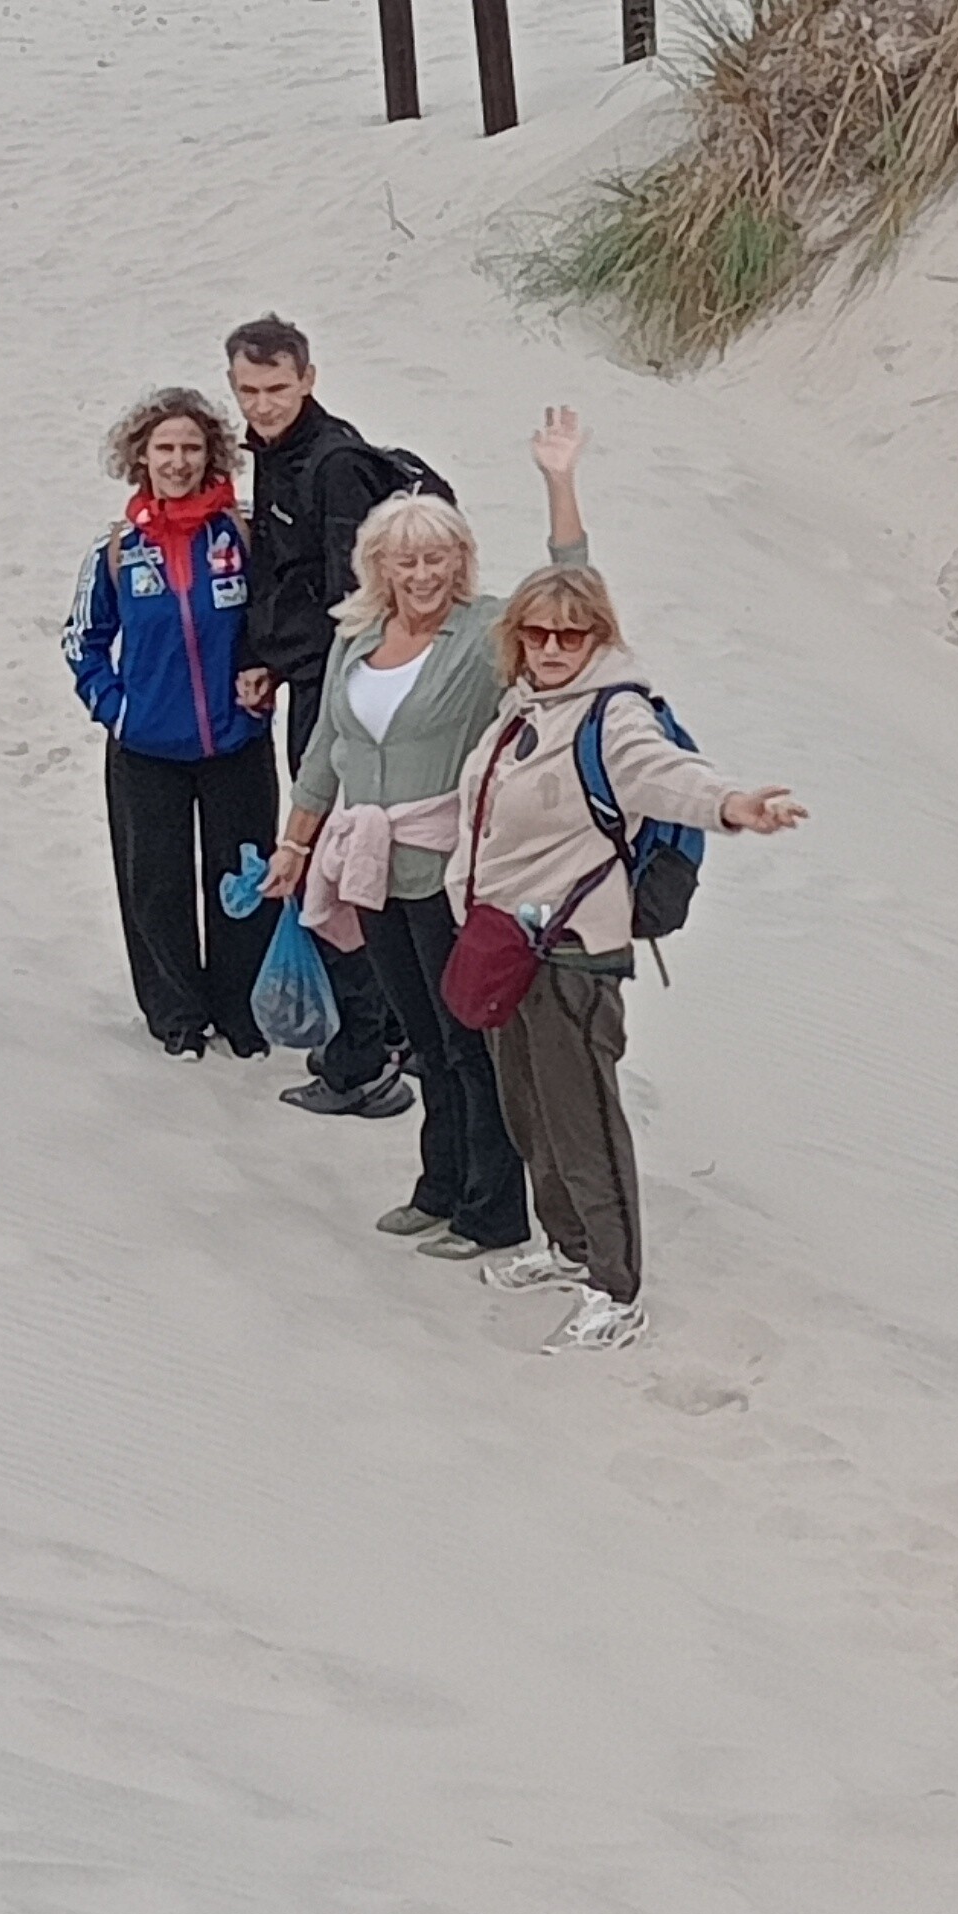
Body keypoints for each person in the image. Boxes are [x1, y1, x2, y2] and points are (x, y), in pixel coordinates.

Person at [445, 558, 803, 1353]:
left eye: (571, 635)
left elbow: (663, 775)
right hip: (507, 945)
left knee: (585, 1126)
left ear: (598, 638)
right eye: (537, 632)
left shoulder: (613, 715)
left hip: (571, 951)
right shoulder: (523, 707)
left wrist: (733, 805)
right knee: (529, 1111)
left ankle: (615, 1289)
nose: (552, 647)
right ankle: (567, 1246)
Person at [261, 411, 591, 1260]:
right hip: (371, 870)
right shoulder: (357, 637)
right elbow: (327, 749)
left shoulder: (485, 635)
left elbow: (573, 598)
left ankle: (493, 1212)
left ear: (460, 561)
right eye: (406, 560)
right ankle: (437, 1188)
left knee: (469, 1042)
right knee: (424, 1043)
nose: (422, 574)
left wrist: (559, 482)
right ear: (379, 565)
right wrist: (294, 847)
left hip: (451, 874)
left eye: (437, 558)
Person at [224, 315, 416, 1119]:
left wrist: (335, 707)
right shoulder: (275, 453)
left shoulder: (334, 465)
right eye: (248, 390)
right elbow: (288, 575)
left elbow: (355, 605)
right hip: (311, 681)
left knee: (330, 864)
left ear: (308, 379)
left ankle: (361, 1061)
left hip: (344, 698)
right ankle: (391, 1034)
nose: (262, 405)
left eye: (276, 388)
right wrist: (266, 654)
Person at [63, 388, 277, 1060]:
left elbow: (278, 622)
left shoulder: (243, 535)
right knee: (156, 885)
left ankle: (242, 1011)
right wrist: (116, 708)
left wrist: (265, 674)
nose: (179, 461)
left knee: (243, 878)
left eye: (191, 447)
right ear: (142, 457)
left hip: (236, 741)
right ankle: (175, 1013)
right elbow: (82, 640)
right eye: (165, 448)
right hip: (146, 749)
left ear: (211, 454)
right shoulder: (117, 549)